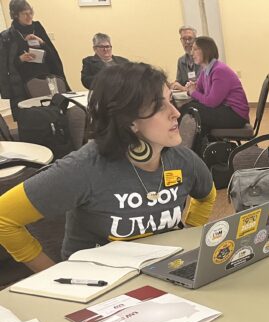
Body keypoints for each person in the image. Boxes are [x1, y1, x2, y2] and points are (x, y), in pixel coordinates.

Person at [0, 62, 216, 269]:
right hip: (97, 283)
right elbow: (4, 218)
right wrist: (49, 273)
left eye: (171, 100)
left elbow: (207, 195)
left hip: (160, 274)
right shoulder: (84, 167)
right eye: (160, 106)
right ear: (129, 120)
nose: (176, 112)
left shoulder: (183, 160)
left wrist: (189, 235)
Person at [0, 0, 68, 118]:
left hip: (45, 77)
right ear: (16, 15)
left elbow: (53, 55)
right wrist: (20, 59)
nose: (29, 16)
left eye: (31, 12)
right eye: (25, 14)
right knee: (31, 117)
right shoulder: (8, 36)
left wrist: (42, 43)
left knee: (53, 113)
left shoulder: (38, 27)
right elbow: (5, 65)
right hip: (22, 83)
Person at [180, 36, 249, 139]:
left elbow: (212, 102)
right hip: (224, 109)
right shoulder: (206, 70)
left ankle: (178, 146)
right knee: (191, 107)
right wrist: (192, 88)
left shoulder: (219, 70)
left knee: (188, 109)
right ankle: (198, 149)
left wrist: (193, 92)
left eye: (195, 49)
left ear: (205, 50)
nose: (191, 53)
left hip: (235, 115)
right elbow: (199, 90)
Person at [171, 25, 200, 91]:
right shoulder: (181, 61)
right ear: (181, 40)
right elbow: (179, 82)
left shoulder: (203, 58)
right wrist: (174, 85)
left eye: (190, 38)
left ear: (195, 40)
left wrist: (182, 88)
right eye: (184, 39)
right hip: (187, 99)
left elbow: (203, 87)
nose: (187, 42)